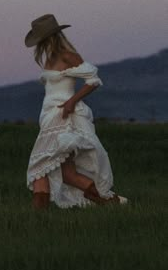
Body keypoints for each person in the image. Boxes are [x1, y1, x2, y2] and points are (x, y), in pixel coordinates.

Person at [25, 14, 128, 210]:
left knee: (39, 168)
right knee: (67, 173)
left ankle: (37, 219)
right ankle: (109, 202)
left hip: (62, 115)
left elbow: (93, 80)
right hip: (48, 116)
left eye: (41, 40)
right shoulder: (50, 58)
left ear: (50, 37)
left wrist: (72, 101)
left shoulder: (67, 55)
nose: (39, 45)